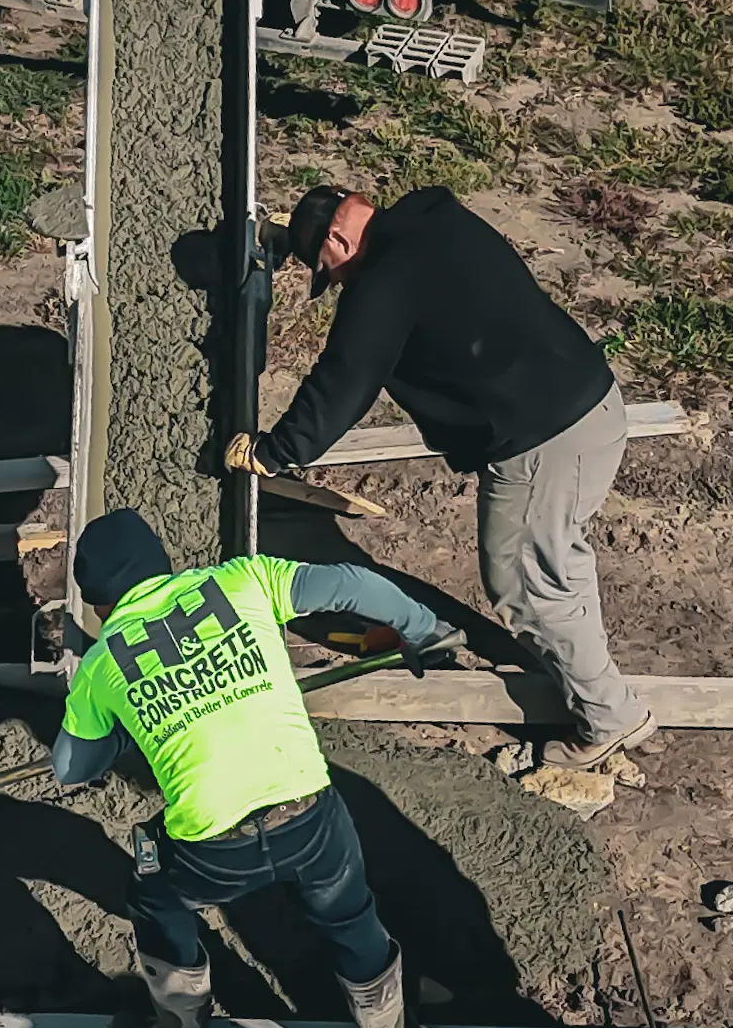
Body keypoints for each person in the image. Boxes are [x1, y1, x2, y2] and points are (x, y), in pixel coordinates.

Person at [225, 184, 652, 770]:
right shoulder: (434, 219)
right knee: (554, 566)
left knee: (524, 584)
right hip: (591, 405)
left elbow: (344, 381)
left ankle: (610, 716)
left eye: (333, 272)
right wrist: (283, 240)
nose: (341, 284)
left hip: (543, 439)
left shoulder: (384, 284)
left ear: (342, 240)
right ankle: (582, 677)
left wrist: (276, 452)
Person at [54, 508, 458, 1028]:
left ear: (99, 604)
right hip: (309, 818)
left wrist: (120, 727)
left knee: (154, 896)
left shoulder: (100, 666)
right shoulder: (243, 579)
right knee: (350, 917)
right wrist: (423, 628)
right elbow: (351, 584)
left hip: (213, 852)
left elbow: (71, 768)